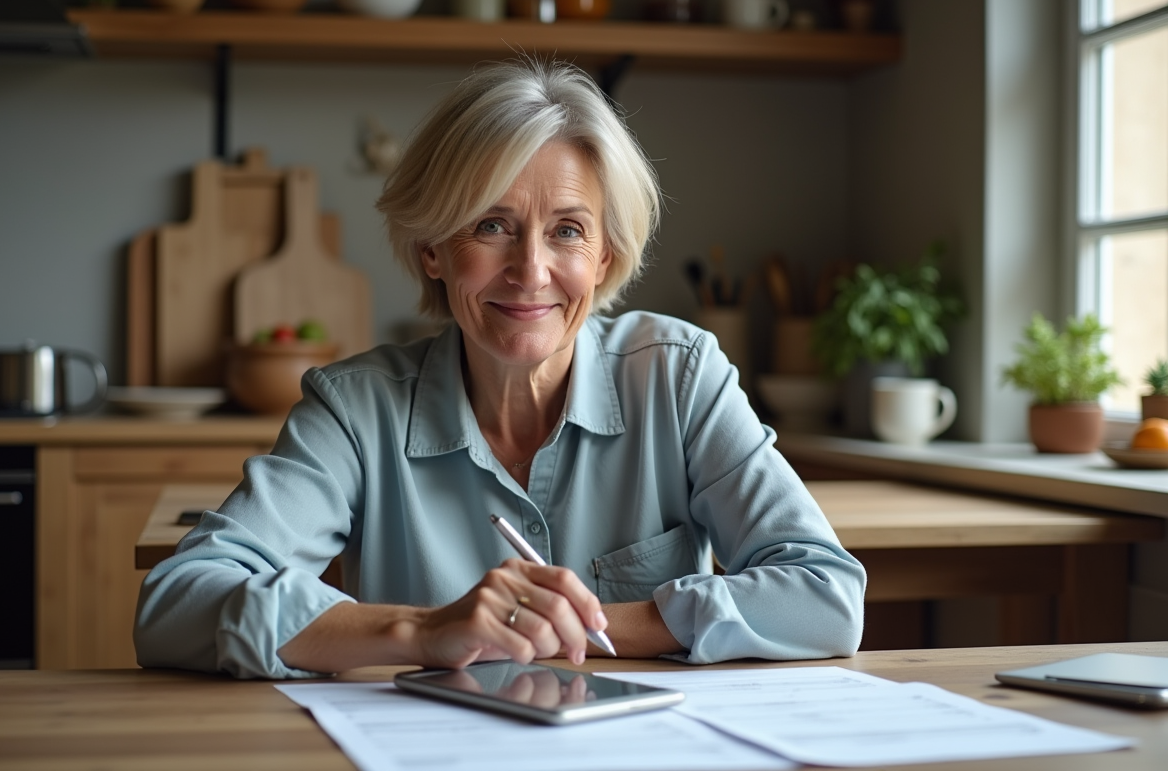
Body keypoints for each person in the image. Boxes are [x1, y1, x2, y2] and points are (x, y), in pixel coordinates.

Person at [134, 59, 866, 679]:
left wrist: (588, 624)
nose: (531, 270)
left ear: (603, 258)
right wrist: (421, 632)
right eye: (491, 225)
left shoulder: (680, 376)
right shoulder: (356, 410)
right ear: (432, 251)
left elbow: (826, 596)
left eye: (568, 231)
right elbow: (176, 603)